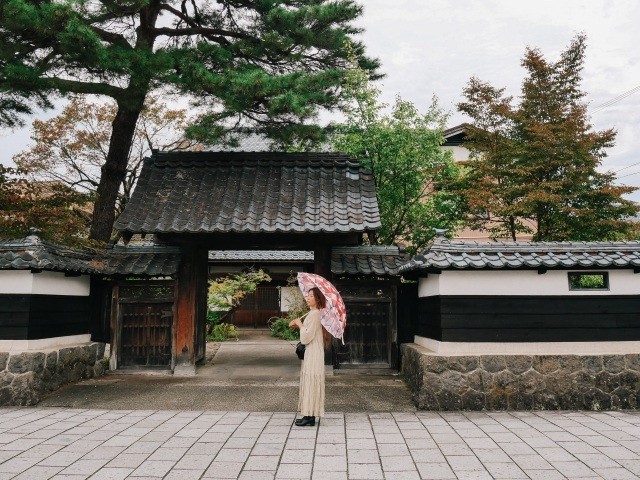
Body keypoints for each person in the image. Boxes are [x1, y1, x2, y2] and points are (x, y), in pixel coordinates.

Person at [288, 287, 332, 427]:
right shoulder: (313, 313)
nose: (308, 298)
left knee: (311, 382)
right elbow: (309, 332)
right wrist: (299, 326)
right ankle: (308, 415)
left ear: (317, 298)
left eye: (311, 296)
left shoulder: (314, 314)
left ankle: (310, 416)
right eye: (307, 296)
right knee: (310, 382)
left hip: (313, 352)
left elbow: (306, 337)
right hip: (312, 352)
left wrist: (300, 325)